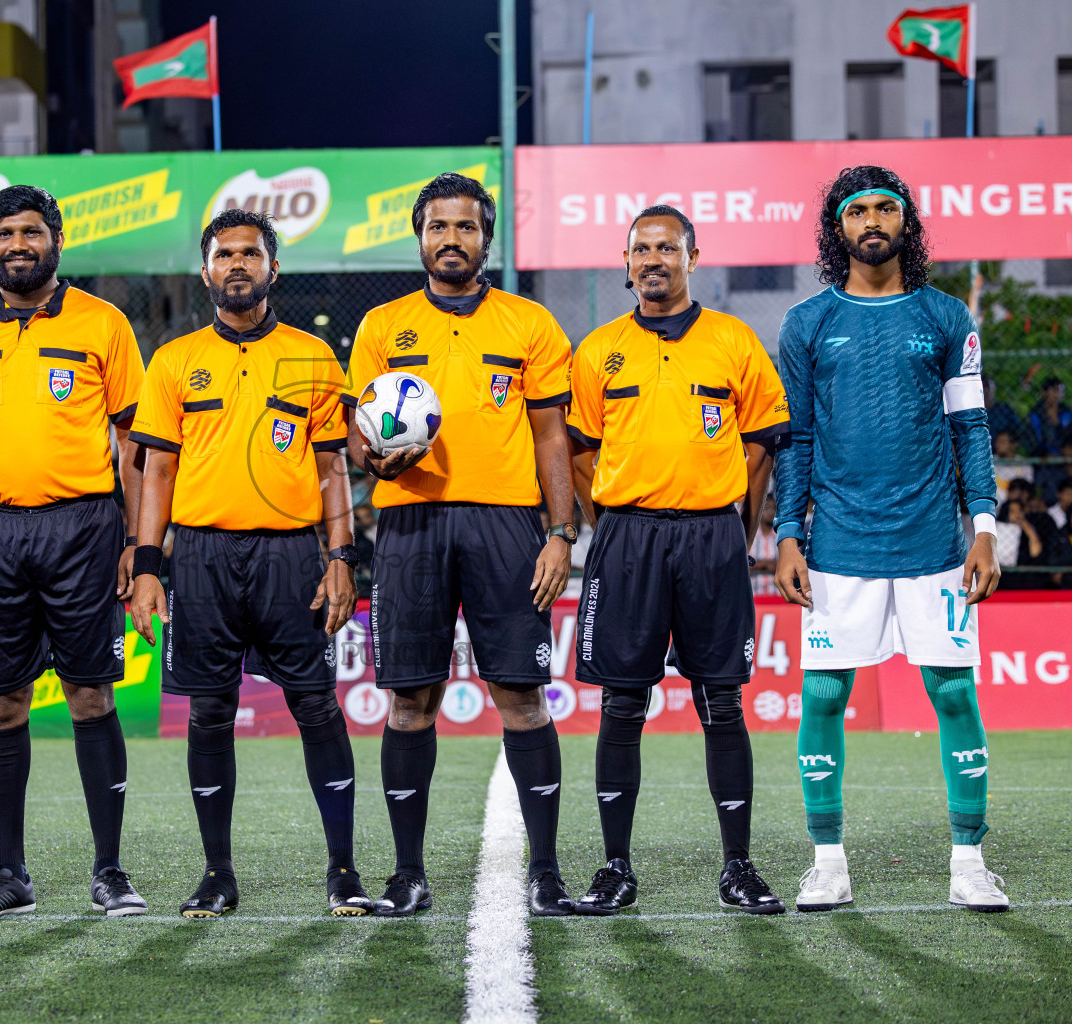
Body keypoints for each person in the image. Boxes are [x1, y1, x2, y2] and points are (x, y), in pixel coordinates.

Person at [343, 173, 577, 917]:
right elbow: (356, 441)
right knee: (410, 700)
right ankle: (407, 873)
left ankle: (544, 871)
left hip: (507, 525)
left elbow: (551, 438)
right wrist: (376, 458)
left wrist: (560, 532)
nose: (452, 239)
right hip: (410, 524)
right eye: (438, 226)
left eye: (466, 227)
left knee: (522, 697)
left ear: (486, 237)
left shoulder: (529, 324)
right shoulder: (383, 326)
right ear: (419, 236)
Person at [775, 165, 1007, 913]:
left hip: (936, 540)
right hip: (839, 541)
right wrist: (786, 535)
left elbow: (971, 429)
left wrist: (983, 529)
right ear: (836, 229)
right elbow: (798, 441)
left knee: (950, 689)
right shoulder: (807, 324)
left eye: (885, 208)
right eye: (856, 211)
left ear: (906, 221)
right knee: (823, 692)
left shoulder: (947, 318)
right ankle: (828, 861)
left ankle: (969, 861)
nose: (871, 220)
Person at [0, 185, 148, 920]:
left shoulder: (103, 322)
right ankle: (7, 874)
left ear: (55, 239)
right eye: (5, 233)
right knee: (2, 701)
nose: (18, 244)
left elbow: (132, 442)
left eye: (31, 232)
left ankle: (109, 872)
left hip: (83, 528)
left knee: (90, 694)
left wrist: (139, 544)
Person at [127, 210, 363, 918]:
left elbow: (331, 471)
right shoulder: (172, 361)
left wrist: (341, 556)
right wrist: (145, 566)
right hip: (200, 555)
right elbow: (156, 477)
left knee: (317, 705)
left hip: (291, 553)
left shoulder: (314, 357)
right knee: (209, 711)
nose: (237, 264)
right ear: (206, 271)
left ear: (273, 269)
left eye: (250, 254)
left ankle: (343, 870)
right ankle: (217, 874)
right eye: (224, 254)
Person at [567, 204, 789, 917]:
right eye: (640, 249)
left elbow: (761, 440)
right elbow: (577, 450)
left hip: (711, 539)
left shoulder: (733, 340)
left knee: (720, 700)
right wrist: (615, 524)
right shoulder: (598, 348)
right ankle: (615, 869)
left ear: (694, 256)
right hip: (627, 538)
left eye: (667, 247)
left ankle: (738, 867)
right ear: (625, 262)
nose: (653, 260)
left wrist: (738, 523)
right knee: (621, 704)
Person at [1027, 376, 1072, 458]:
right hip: (1042, 457)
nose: (1058, 395)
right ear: (1044, 392)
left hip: (1065, 455)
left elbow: (1071, 436)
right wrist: (1045, 453)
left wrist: (1057, 423)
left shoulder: (1066, 412)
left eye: (1061, 391)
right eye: (1055, 390)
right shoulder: (1035, 413)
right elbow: (1034, 440)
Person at [981, 374, 1023, 451]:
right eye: (983, 387)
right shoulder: (972, 413)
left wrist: (1010, 445)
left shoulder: (1004, 409)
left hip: (1003, 453)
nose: (986, 391)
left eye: (988, 387)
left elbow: (1018, 431)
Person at [750, 494, 780, 596]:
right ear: (759, 510)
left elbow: (791, 564)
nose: (772, 512)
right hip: (754, 595)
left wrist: (756, 564)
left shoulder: (782, 536)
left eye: (774, 508)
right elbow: (741, 565)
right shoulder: (750, 537)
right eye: (767, 508)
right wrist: (766, 565)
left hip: (778, 596)